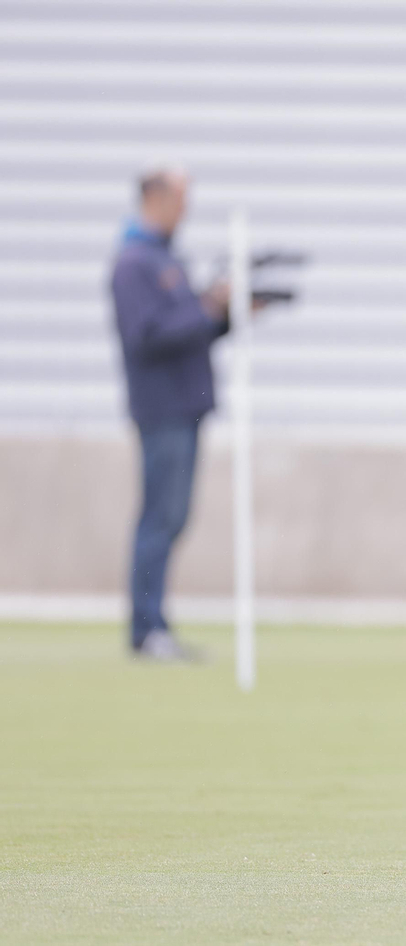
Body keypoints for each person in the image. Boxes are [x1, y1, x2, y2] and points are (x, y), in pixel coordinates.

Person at [110, 167, 230, 661]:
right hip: (162, 410)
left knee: (173, 517)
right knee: (159, 519)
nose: (186, 209)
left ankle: (154, 623)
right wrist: (205, 311)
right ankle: (146, 629)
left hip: (186, 406)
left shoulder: (165, 258)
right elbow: (148, 336)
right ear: (156, 198)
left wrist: (225, 313)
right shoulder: (135, 262)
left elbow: (188, 330)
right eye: (181, 199)